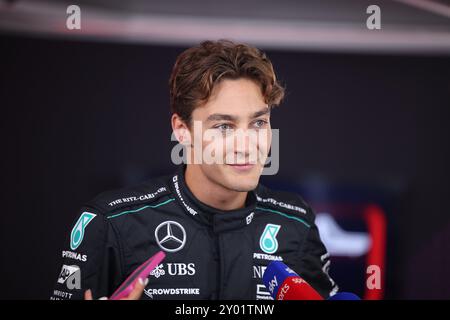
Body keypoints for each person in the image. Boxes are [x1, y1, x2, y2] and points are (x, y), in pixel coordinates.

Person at [51, 39, 338, 300]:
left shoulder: (296, 225)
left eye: (259, 123)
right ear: (182, 130)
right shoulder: (112, 222)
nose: (247, 145)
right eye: (224, 126)